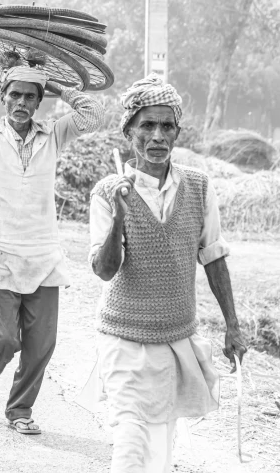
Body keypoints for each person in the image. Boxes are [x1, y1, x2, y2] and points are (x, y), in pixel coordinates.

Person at [0, 26, 105, 434]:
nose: (22, 103)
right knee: (7, 338)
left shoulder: (55, 135)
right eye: (15, 95)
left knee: (42, 344)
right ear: (3, 97)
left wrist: (55, 79)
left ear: (39, 103)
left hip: (44, 256)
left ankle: (20, 411)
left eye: (30, 96)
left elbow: (95, 116)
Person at [78, 73, 247, 472]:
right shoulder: (107, 192)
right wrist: (120, 218)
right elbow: (104, 271)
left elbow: (214, 256)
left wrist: (233, 326)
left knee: (161, 449)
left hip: (175, 337)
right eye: (147, 126)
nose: (157, 136)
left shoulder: (200, 187)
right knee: (129, 441)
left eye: (166, 126)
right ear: (128, 132)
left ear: (177, 132)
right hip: (123, 338)